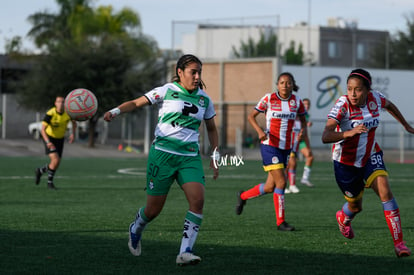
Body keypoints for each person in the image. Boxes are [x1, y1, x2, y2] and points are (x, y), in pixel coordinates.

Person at [104, 54, 219, 266]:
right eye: (193, 72)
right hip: (162, 156)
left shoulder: (205, 99)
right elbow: (136, 103)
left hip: (189, 158)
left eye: (199, 72)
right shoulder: (166, 91)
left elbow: (211, 128)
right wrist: (116, 111)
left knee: (198, 200)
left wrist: (215, 153)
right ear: (180, 72)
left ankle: (185, 251)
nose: (196, 76)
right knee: (153, 210)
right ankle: (136, 227)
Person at [321, 68, 413, 257]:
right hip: (345, 163)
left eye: (358, 89)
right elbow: (325, 135)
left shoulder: (376, 99)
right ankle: (343, 217)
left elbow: (390, 105)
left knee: (385, 191)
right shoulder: (342, 105)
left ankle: (399, 244)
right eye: (349, 89)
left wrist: (405, 124)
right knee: (356, 206)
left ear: (367, 90)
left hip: (371, 154)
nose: (353, 94)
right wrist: (348, 133)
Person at [235, 72, 307, 231]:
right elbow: (251, 116)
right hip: (270, 145)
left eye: (288, 83)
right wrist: (260, 131)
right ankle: (281, 222)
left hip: (286, 147)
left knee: (269, 187)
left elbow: (303, 119)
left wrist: (302, 130)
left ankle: (243, 196)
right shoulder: (269, 98)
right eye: (282, 82)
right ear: (277, 84)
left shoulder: (297, 101)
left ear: (292, 85)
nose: (285, 85)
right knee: (282, 182)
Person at [35, 96, 77, 190]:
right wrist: (47, 142)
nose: (61, 104)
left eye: (63, 102)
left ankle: (40, 171)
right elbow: (42, 130)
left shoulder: (68, 113)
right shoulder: (51, 113)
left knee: (56, 163)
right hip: (50, 138)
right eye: (59, 102)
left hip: (60, 139)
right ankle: (50, 183)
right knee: (55, 160)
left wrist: (73, 134)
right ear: (55, 103)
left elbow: (74, 123)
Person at [285, 98, 314, 193]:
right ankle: (287, 185)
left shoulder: (301, 120)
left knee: (293, 164)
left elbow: (303, 133)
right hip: (288, 144)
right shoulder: (290, 118)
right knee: (290, 164)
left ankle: (294, 183)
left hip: (296, 144)